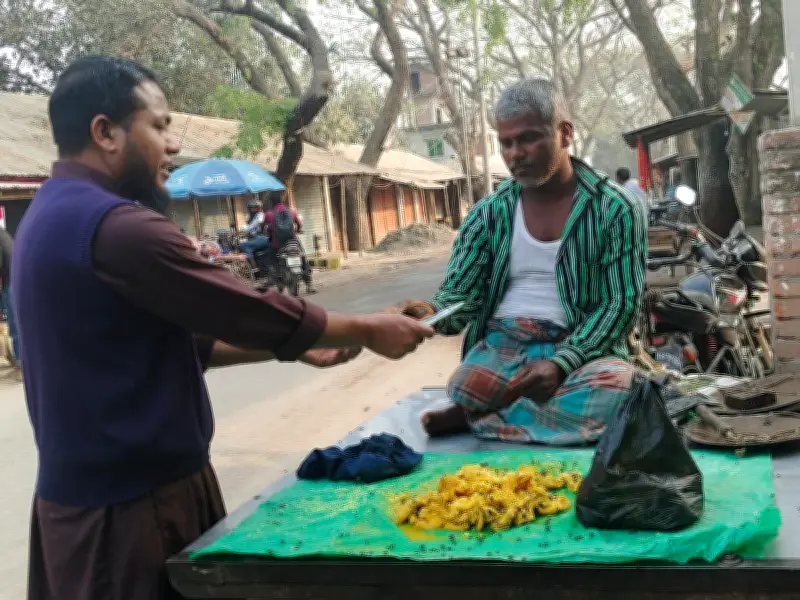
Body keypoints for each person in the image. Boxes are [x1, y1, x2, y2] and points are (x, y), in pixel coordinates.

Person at [16, 56, 434, 600]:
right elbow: (244, 307)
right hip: (129, 513)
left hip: (93, 504)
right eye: (160, 126)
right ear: (105, 132)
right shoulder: (118, 228)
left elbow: (170, 342)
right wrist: (368, 329)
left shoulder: (48, 214)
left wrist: (297, 351)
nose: (172, 147)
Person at [393, 79, 647, 445]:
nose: (515, 153)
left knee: (617, 390)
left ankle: (479, 418)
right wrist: (425, 313)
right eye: (506, 143)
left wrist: (563, 362)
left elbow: (619, 304)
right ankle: (495, 411)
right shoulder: (488, 214)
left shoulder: (614, 208)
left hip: (580, 344)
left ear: (564, 133)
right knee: (465, 384)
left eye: (528, 138)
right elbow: (461, 298)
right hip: (505, 344)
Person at [265, 198, 315, 293]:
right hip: (292, 240)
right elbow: (299, 224)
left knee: (271, 259)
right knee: (302, 257)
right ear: (282, 202)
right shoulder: (291, 211)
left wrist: (269, 232)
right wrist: (297, 230)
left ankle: (275, 279)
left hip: (277, 244)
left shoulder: (269, 214)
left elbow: (264, 227)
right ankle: (309, 284)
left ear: (271, 203)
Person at [0, 226, 20, 379]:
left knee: (15, 326)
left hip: (10, 283)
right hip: (14, 280)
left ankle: (21, 364)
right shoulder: (4, 234)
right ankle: (17, 360)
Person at [238, 198, 270, 264]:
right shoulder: (256, 216)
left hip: (262, 238)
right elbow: (250, 227)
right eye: (250, 208)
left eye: (252, 208)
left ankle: (254, 267)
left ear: (257, 208)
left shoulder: (260, 216)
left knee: (243, 245)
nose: (251, 210)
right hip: (260, 238)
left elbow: (252, 226)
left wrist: (240, 231)